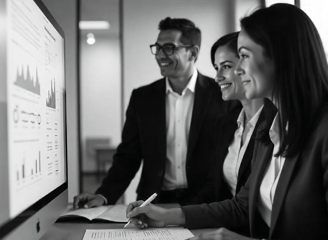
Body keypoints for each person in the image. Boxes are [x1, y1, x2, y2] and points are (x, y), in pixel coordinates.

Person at [126, 4, 328, 240]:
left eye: (243, 56)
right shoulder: (270, 129)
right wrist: (165, 216)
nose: (238, 70)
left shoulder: (322, 132)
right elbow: (241, 206)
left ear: (280, 54)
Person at [73, 17, 238, 208]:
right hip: (154, 202)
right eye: (157, 48)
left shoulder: (222, 95)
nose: (160, 55)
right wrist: (103, 195)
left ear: (192, 52)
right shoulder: (142, 98)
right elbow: (128, 155)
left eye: (169, 47)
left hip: (208, 203)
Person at [187, 32, 269, 207]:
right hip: (227, 225)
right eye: (217, 68)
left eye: (226, 66)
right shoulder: (226, 123)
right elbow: (213, 186)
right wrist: (174, 217)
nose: (217, 77)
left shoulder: (274, 125)